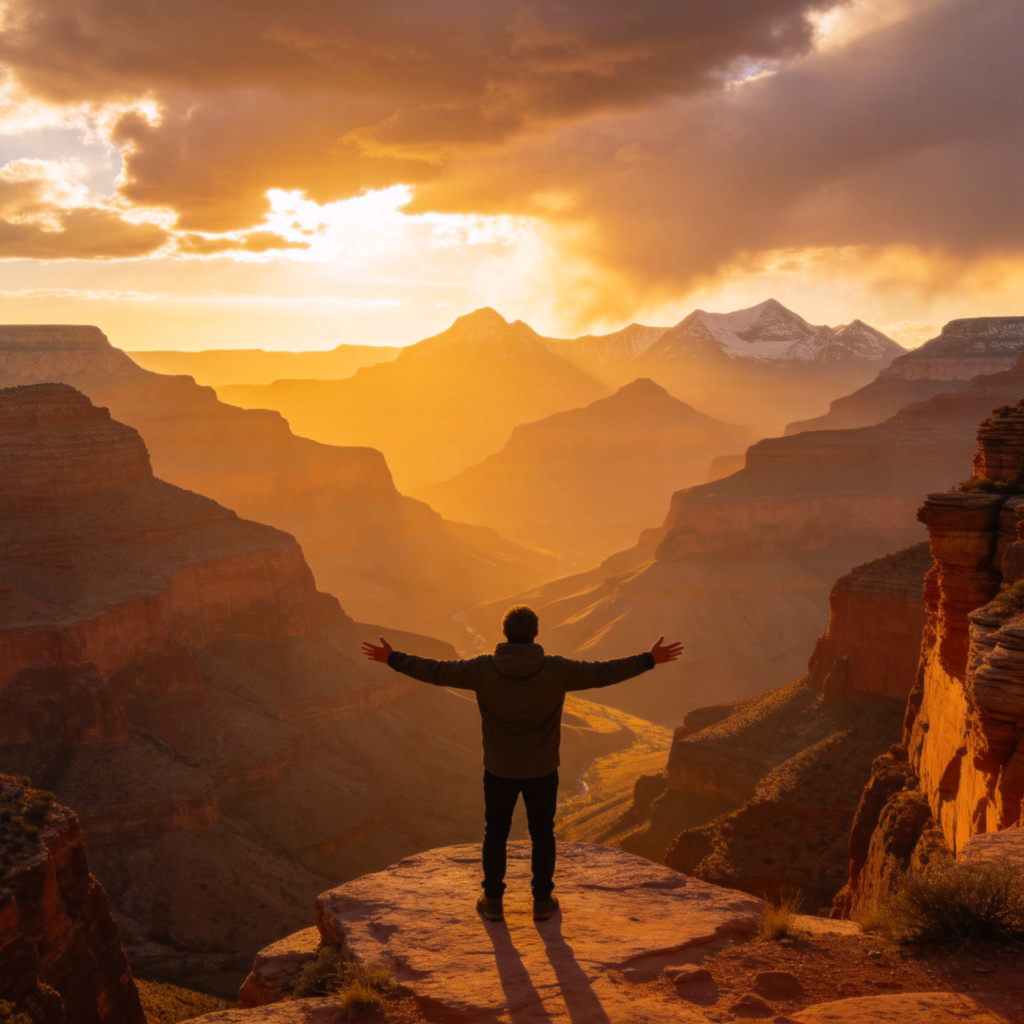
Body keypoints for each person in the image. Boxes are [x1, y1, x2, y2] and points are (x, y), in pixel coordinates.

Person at [361, 604, 683, 923]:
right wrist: (649, 659)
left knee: (495, 833)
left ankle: (493, 902)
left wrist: (392, 658)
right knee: (543, 834)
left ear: (505, 633)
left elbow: (435, 671)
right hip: (542, 770)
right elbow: (603, 673)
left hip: (499, 769)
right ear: (535, 634)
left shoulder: (482, 668)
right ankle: (542, 902)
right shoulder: (556, 670)